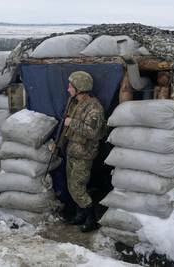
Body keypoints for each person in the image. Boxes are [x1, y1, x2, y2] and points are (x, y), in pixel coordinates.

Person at [62, 71, 105, 232]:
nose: (68, 89)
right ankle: (80, 215)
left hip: (83, 154)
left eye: (70, 86)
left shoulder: (94, 107)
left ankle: (91, 219)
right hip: (72, 151)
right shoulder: (75, 103)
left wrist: (71, 122)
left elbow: (92, 132)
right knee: (72, 186)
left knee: (77, 187)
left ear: (79, 88)